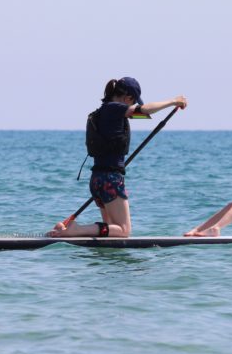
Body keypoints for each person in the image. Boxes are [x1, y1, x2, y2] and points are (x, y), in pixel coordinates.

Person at [48, 77, 187, 238]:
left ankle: (65, 230)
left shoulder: (103, 112)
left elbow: (142, 114)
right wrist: (174, 101)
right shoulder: (114, 108)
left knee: (112, 231)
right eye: (133, 101)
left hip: (97, 179)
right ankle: (76, 230)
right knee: (123, 230)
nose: (133, 105)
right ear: (127, 98)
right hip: (110, 180)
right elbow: (145, 110)